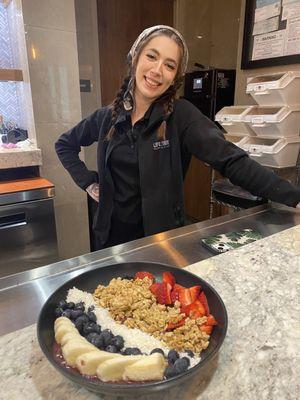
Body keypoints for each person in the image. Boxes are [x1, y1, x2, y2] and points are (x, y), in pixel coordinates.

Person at [55, 25, 300, 250]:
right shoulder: (107, 116)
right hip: (109, 240)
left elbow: (231, 160)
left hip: (160, 243)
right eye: (152, 56)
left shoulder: (181, 116)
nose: (157, 70)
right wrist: (88, 182)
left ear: (175, 77)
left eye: (169, 65)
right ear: (135, 57)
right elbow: (64, 144)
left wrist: (293, 198)